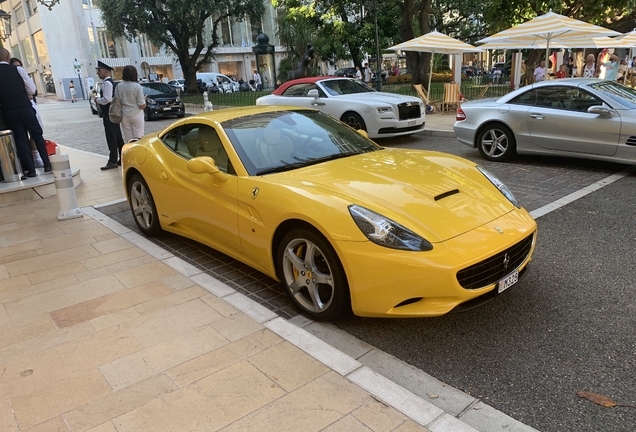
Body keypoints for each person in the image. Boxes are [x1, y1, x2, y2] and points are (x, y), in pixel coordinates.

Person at [0, 47, 51, 177]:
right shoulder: (18, 69)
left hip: (9, 111)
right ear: (8, 58)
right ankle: (47, 165)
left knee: (20, 139)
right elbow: (32, 88)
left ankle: (31, 169)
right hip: (25, 107)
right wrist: (25, 94)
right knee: (37, 135)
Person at [9, 57, 45, 168]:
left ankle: (38, 158)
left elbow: (32, 91)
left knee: (36, 134)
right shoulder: (11, 79)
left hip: (29, 107)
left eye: (20, 66)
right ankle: (31, 162)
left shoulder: (23, 77)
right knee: (22, 136)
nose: (18, 68)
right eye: (16, 66)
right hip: (20, 109)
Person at [95, 60, 124, 170]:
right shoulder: (111, 82)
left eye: (100, 70)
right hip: (112, 114)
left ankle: (113, 161)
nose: (98, 73)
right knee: (117, 137)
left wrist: (97, 100)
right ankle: (122, 158)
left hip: (109, 114)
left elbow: (107, 99)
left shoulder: (107, 83)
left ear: (106, 71)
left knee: (112, 137)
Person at [116, 65, 146, 143]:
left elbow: (116, 102)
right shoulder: (137, 87)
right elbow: (141, 105)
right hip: (136, 113)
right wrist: (144, 100)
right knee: (138, 137)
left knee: (128, 138)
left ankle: (129, 152)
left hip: (124, 114)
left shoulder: (119, 86)